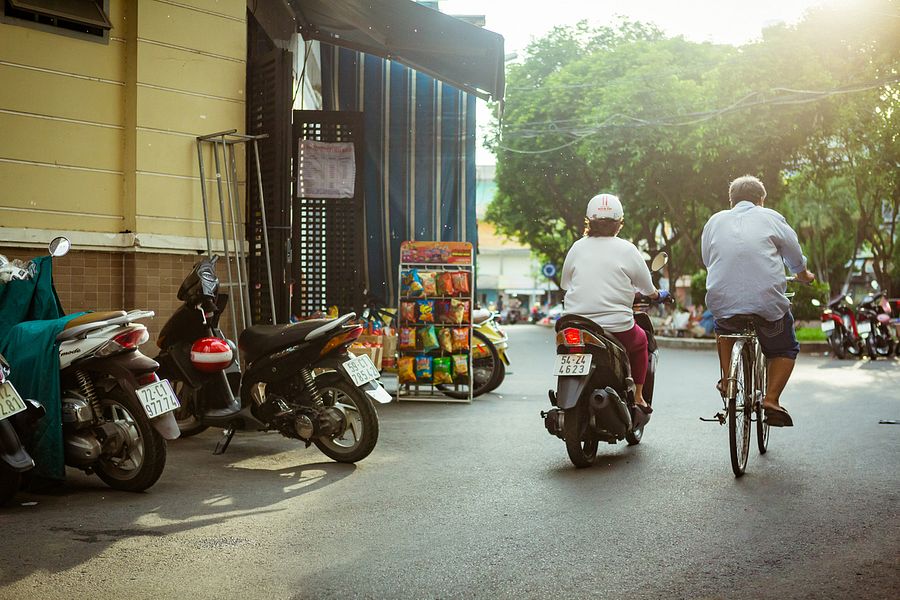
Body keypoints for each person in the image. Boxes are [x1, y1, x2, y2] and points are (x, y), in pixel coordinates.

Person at [701, 175, 815, 427]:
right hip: (767, 306)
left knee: (724, 329)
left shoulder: (714, 221)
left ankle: (727, 379)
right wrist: (803, 275)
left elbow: (708, 260)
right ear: (761, 200)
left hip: (723, 303)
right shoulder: (772, 218)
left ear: (731, 201)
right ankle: (771, 400)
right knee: (785, 348)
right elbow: (795, 257)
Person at [560, 193, 663, 414]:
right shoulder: (627, 249)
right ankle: (637, 397)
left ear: (589, 221)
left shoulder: (577, 247)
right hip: (617, 327)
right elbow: (647, 288)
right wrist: (657, 295)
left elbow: (565, 283)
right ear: (619, 223)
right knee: (641, 342)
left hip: (576, 325)